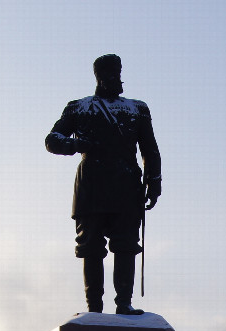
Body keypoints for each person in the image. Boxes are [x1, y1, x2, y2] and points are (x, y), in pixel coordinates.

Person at [46, 54, 161, 315]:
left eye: (117, 72)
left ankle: (124, 303)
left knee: (126, 244)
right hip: (92, 186)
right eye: (109, 73)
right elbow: (52, 139)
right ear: (98, 76)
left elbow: (150, 150)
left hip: (126, 185)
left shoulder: (138, 108)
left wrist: (153, 182)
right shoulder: (78, 107)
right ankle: (94, 309)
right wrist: (77, 145)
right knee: (91, 247)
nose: (115, 78)